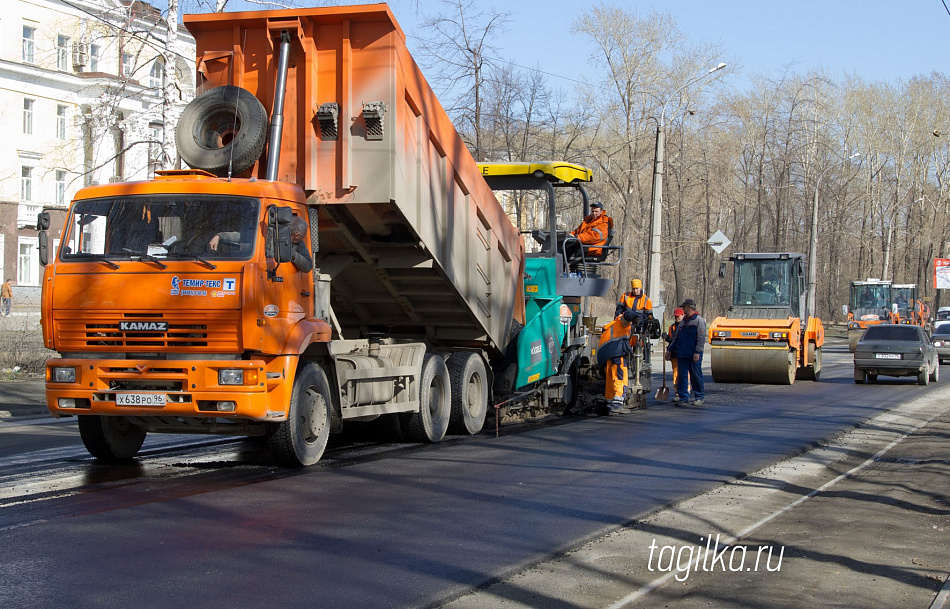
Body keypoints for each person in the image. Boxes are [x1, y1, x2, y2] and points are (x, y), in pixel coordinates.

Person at [210, 216, 313, 272]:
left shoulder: (298, 244)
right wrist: (219, 236)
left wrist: (292, 254)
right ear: (296, 234)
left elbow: (308, 266)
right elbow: (241, 236)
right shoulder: (267, 233)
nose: (304, 238)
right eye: (302, 235)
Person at [597, 309, 640, 413]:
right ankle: (617, 403)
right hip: (616, 350)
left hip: (605, 352)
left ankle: (610, 402)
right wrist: (636, 318)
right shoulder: (624, 321)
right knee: (620, 375)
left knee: (611, 377)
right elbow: (628, 315)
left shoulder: (614, 324)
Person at [667, 298, 706, 406]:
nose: (683, 309)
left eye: (684, 307)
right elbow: (677, 337)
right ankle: (683, 397)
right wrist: (670, 350)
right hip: (682, 353)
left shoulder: (699, 321)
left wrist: (697, 352)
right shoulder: (683, 321)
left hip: (693, 354)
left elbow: (701, 338)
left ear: (689, 307)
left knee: (696, 376)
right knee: (682, 376)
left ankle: (699, 397)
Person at [663, 307, 687, 392]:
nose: (677, 318)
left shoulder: (686, 326)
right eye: (675, 316)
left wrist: (670, 339)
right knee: (675, 374)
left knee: (684, 374)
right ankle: (677, 392)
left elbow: (681, 339)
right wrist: (666, 338)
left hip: (683, 352)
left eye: (678, 316)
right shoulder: (672, 327)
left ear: (683, 315)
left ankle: (685, 390)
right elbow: (671, 339)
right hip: (674, 353)